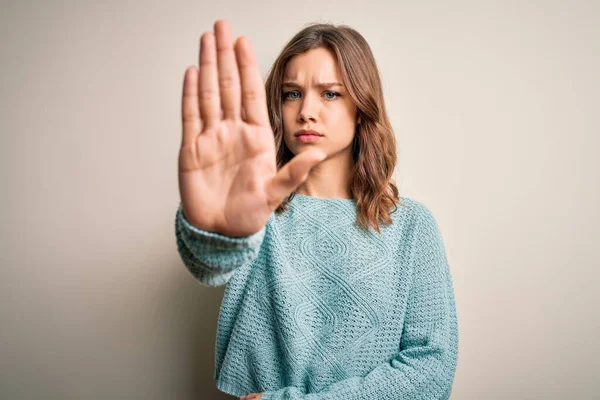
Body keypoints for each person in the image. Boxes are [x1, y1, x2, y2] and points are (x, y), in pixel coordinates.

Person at [175, 19, 458, 400]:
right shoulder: (257, 213)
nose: (306, 110)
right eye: (292, 94)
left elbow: (431, 370)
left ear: (361, 107)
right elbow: (208, 266)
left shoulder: (411, 226)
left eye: (330, 94)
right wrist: (214, 231)